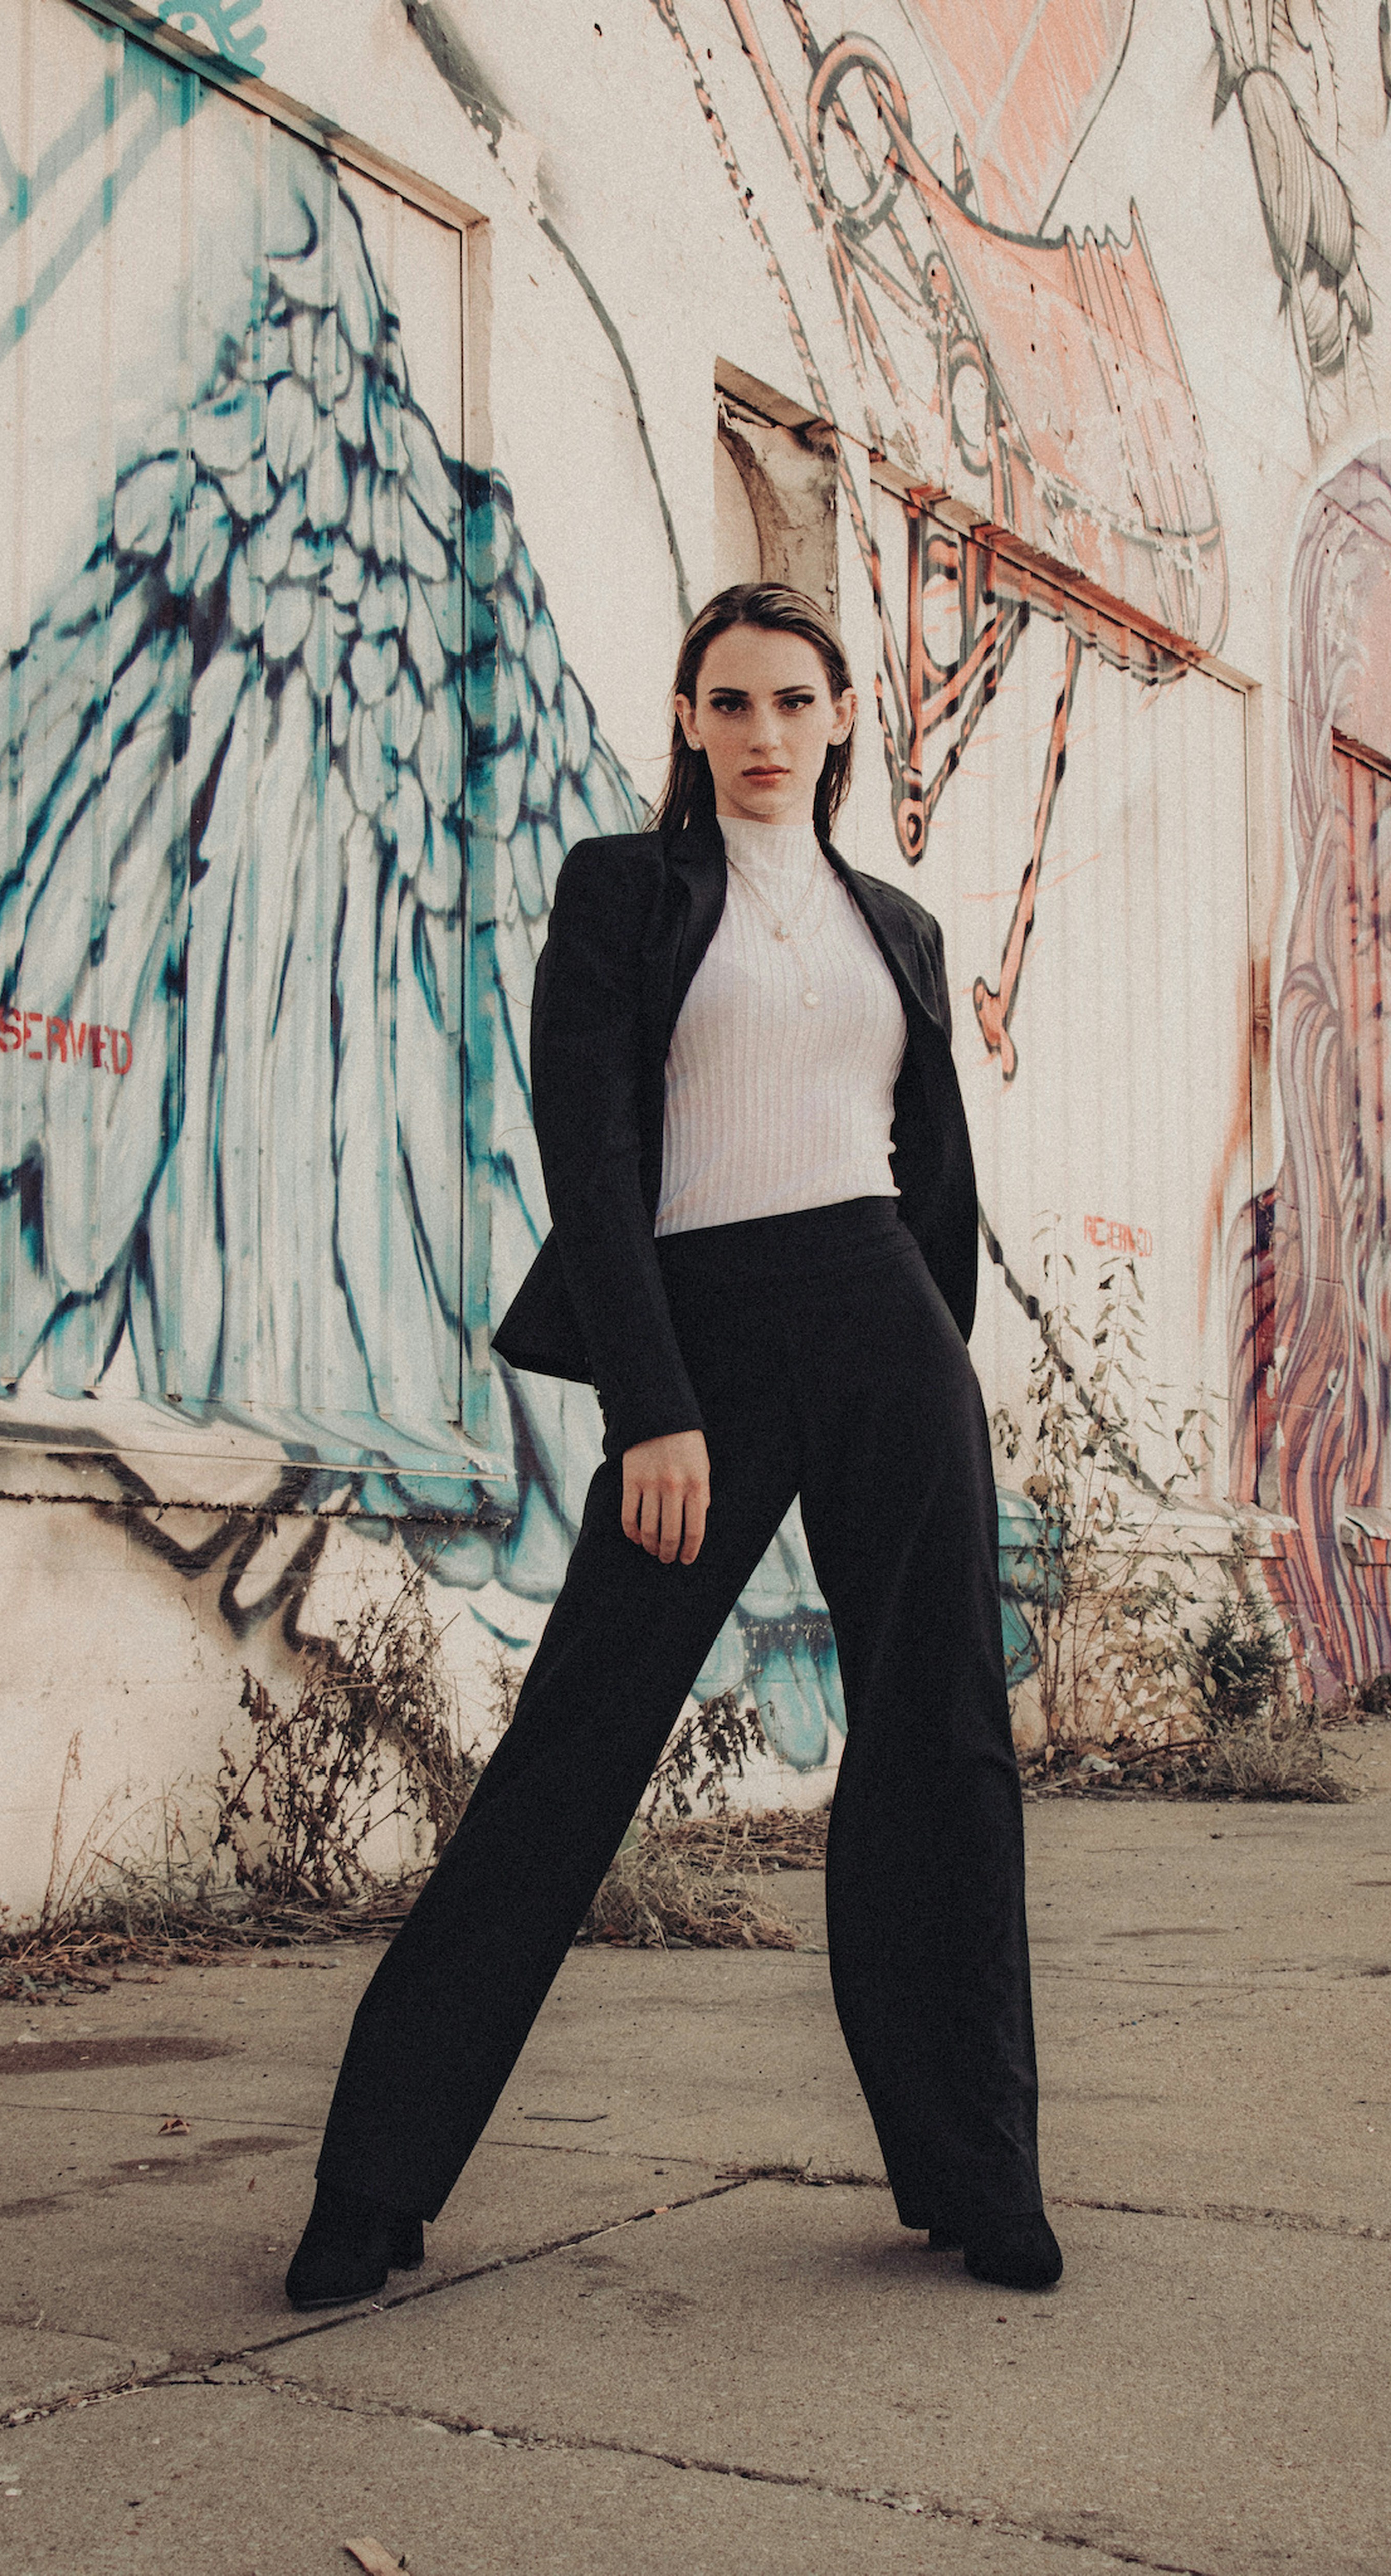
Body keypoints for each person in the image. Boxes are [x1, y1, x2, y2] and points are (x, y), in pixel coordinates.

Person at [286, 582, 1059, 2307]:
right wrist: (653, 1404)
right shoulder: (623, 893)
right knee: (574, 1749)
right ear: (690, 718)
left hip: (882, 1325)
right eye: (733, 702)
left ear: (843, 717)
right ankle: (371, 2185)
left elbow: (929, 1181)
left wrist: (932, 1367)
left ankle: (979, 2172)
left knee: (944, 1745)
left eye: (796, 700)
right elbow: (593, 1154)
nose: (766, 732)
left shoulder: (901, 930)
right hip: (702, 1330)